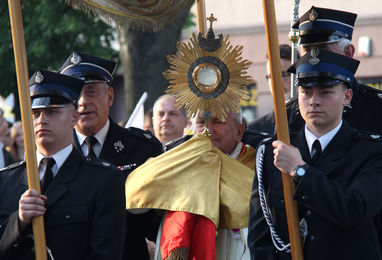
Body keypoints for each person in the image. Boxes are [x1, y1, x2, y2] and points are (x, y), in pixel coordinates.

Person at [256, 7, 382, 259]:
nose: (314, 58)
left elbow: (379, 206)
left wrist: (300, 171)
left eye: (322, 49)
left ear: (349, 53)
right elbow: (264, 232)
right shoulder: (285, 118)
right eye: (306, 51)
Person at [0, 70, 126, 259]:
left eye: (52, 112)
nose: (42, 120)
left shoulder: (102, 179)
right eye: (35, 113)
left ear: (74, 118)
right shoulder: (6, 180)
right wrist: (18, 221)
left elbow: (106, 253)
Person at [59, 51, 163, 260]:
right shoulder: (54, 152)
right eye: (76, 94)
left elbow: (160, 223)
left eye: (90, 92)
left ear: (110, 96)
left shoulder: (142, 148)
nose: (82, 102)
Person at [125, 111, 256, 260]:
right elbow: (135, 203)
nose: (207, 130)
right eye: (201, 122)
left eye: (218, 121)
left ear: (239, 131)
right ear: (192, 128)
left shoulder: (258, 165)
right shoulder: (176, 158)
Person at [248, 44, 299, 133]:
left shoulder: (311, 123)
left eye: (283, 75)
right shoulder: (256, 128)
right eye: (272, 76)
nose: (278, 82)